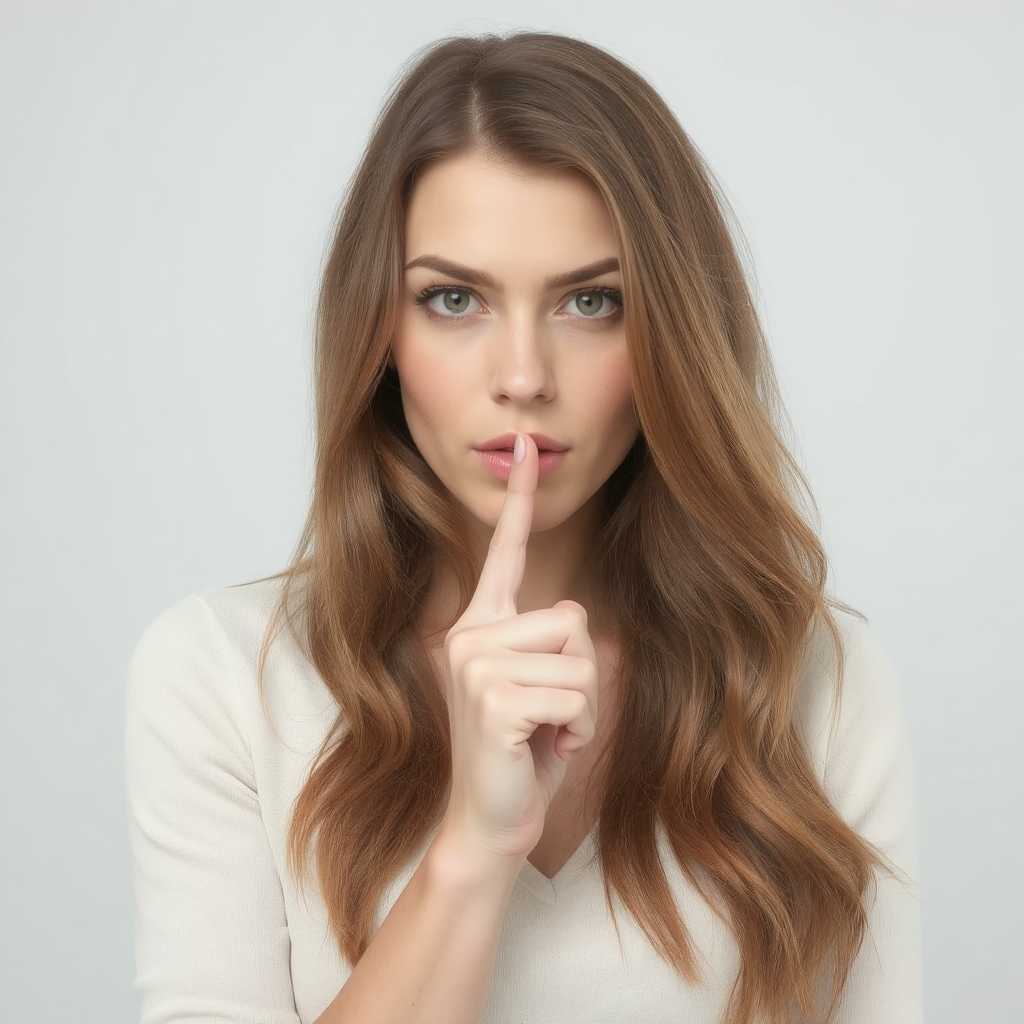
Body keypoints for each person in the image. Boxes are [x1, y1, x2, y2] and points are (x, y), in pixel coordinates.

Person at [125, 31, 921, 1024]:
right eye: (452, 299)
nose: (521, 375)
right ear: (381, 335)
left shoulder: (813, 676)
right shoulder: (220, 679)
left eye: (591, 301)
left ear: (670, 335)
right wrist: (469, 849)